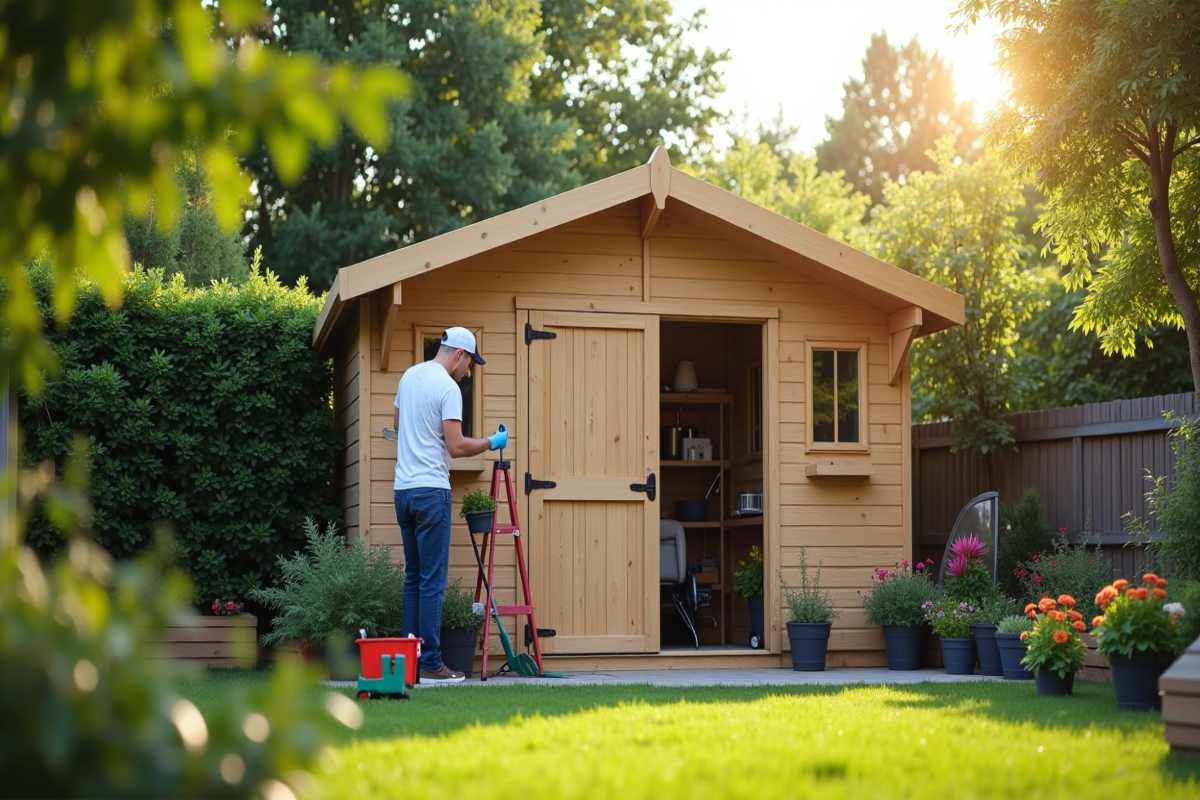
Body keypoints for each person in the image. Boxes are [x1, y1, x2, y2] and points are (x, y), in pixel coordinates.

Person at [393, 326, 507, 683]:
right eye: (470, 363)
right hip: (431, 493)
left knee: (413, 578)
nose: (469, 371)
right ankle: (430, 663)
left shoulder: (409, 376)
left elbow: (397, 426)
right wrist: (491, 441)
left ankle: (409, 660)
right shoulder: (448, 387)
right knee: (431, 582)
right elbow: (456, 446)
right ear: (459, 354)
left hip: (403, 492)